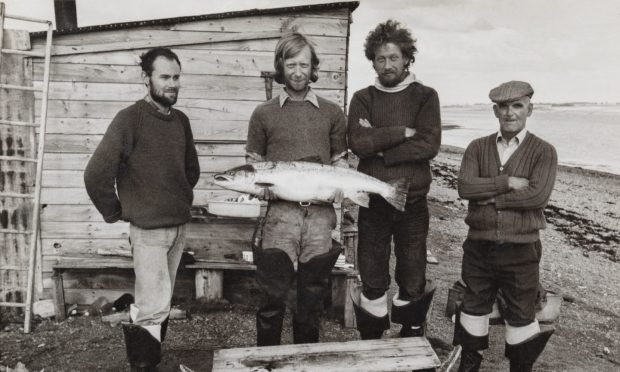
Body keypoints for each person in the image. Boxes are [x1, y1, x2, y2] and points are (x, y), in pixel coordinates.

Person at [84, 47, 200, 371]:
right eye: (165, 77)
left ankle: (149, 361)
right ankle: (143, 366)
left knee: (160, 305)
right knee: (151, 308)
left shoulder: (181, 121)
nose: (173, 84)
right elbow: (95, 174)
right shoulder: (129, 120)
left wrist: (173, 198)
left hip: (178, 229)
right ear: (145, 78)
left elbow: (191, 170)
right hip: (148, 233)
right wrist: (118, 211)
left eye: (177, 77)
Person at [245, 32, 348, 346]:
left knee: (311, 298)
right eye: (291, 64)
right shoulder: (263, 114)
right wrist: (261, 189)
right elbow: (253, 168)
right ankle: (266, 363)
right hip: (280, 217)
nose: (298, 72)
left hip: (319, 219)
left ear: (313, 67)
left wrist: (337, 189)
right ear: (281, 66)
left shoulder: (332, 112)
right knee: (272, 296)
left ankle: (304, 361)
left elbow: (340, 164)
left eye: (304, 64)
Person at [453, 81, 557, 372]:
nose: (510, 113)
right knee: (472, 308)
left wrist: (488, 199)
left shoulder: (544, 151)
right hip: (478, 248)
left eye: (517, 106)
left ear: (530, 109)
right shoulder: (477, 147)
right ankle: (469, 366)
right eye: (503, 107)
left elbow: (537, 196)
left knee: (522, 315)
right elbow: (464, 187)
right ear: (495, 110)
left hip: (521, 250)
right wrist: (506, 184)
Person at [347, 20, 441, 340]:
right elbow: (358, 144)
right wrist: (402, 133)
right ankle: (372, 345)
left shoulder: (426, 97)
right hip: (373, 201)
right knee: (373, 278)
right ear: (372, 61)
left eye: (394, 58)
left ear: (407, 58)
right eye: (380, 58)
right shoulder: (362, 98)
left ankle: (410, 344)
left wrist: (382, 153)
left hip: (412, 203)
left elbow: (429, 145)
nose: (387, 65)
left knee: (412, 276)